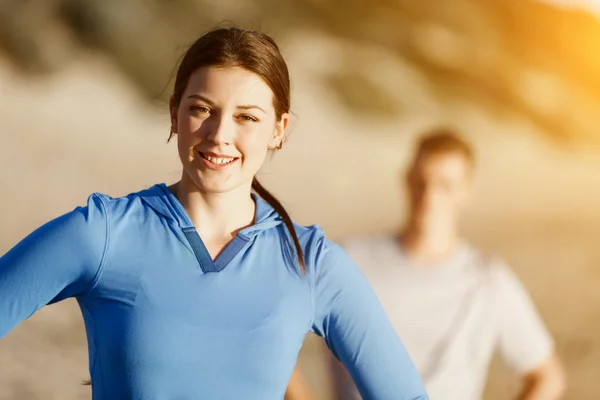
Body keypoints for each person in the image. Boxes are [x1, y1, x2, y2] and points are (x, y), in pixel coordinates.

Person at [0, 27, 428, 400]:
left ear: (278, 131)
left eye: (247, 117)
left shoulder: (312, 263)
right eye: (201, 109)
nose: (220, 135)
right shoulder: (102, 234)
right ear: (174, 113)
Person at [319, 129, 565, 400]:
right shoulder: (349, 259)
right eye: (422, 182)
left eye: (445, 185)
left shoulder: (488, 281)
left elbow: (547, 376)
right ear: (406, 180)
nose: (429, 196)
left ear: (466, 192)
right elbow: (271, 321)